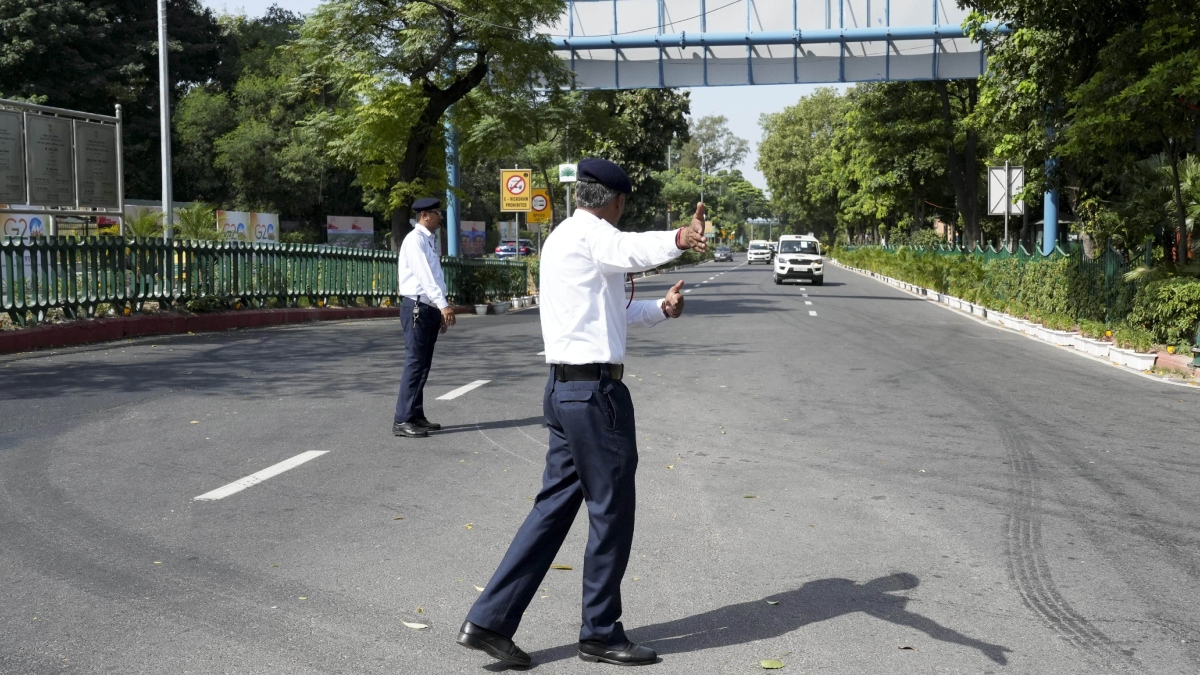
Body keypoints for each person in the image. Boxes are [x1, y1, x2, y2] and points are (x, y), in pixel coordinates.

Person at [457, 158, 708, 667]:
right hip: (594, 397)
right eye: (624, 205)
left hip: (565, 392)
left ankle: (488, 621)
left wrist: (660, 309)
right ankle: (600, 632)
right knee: (610, 513)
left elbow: (608, 316)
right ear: (615, 202)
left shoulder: (564, 239)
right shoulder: (595, 235)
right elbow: (629, 246)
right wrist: (680, 236)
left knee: (551, 511)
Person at [392, 197, 457, 439]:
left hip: (427, 307)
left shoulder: (428, 241)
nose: (440, 216)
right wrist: (444, 305)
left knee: (423, 364)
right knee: (415, 363)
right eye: (437, 213)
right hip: (417, 306)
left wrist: (440, 307)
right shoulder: (414, 240)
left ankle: (415, 414)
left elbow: (436, 278)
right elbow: (424, 276)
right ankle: (402, 419)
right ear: (425, 216)